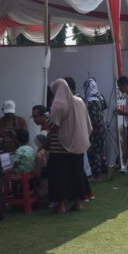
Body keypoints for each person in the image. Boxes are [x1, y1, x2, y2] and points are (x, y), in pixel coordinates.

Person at [47, 79, 92, 213]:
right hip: (77, 145)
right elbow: (87, 122)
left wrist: (47, 123)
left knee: (60, 175)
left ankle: (61, 205)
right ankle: (78, 203)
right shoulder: (79, 101)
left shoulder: (57, 104)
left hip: (60, 146)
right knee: (76, 174)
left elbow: (54, 125)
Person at [82, 79, 109, 181]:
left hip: (96, 129)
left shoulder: (91, 102)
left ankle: (96, 176)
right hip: (102, 127)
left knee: (95, 152)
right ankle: (107, 168)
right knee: (99, 150)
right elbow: (103, 112)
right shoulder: (99, 97)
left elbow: (93, 119)